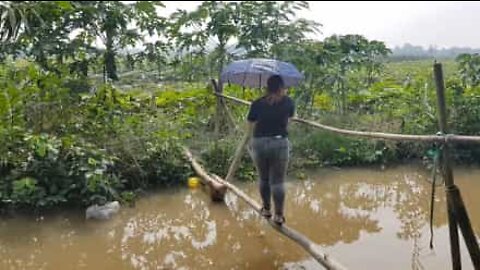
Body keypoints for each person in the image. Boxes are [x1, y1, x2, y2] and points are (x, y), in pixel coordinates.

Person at [247, 74, 295, 225]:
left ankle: (267, 210)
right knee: (278, 182)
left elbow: (250, 123)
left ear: (267, 87)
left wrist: (251, 141)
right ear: (281, 87)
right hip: (279, 143)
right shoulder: (288, 102)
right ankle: (279, 216)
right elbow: (288, 123)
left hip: (259, 142)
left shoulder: (257, 103)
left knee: (264, 179)